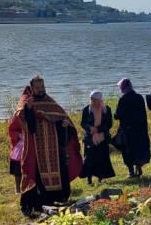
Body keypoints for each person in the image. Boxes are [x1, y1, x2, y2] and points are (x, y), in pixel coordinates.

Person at [8, 75, 83, 216]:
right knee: (35, 172)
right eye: (38, 88)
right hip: (35, 147)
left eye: (42, 87)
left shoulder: (49, 101)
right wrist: (29, 109)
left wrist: (64, 124)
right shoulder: (26, 102)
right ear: (32, 88)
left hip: (53, 146)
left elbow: (60, 117)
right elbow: (24, 122)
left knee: (58, 170)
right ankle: (36, 203)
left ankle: (56, 199)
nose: (41, 90)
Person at [114, 78, 151, 178]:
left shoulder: (123, 99)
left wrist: (116, 113)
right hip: (140, 128)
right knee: (138, 148)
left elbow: (118, 115)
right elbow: (143, 113)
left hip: (127, 129)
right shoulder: (139, 97)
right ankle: (138, 168)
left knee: (127, 150)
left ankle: (131, 171)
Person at [80, 91, 116, 184]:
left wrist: (98, 129)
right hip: (90, 139)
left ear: (100, 100)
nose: (92, 101)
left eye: (95, 100)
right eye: (91, 99)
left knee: (101, 159)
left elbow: (109, 124)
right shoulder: (86, 110)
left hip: (103, 138)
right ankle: (89, 180)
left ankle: (100, 179)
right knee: (89, 159)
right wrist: (90, 128)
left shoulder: (106, 109)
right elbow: (83, 123)